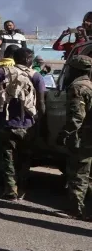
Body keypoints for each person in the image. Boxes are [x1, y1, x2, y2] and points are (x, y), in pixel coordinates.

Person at [0, 47, 46, 200]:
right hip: (28, 124)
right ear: (29, 60)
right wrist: (41, 121)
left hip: (6, 123)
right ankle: (22, 188)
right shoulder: (37, 76)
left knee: (8, 157)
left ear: (14, 58)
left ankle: (10, 189)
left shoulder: (3, 72)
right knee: (25, 157)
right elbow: (41, 101)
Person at [56, 55, 92, 220]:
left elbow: (77, 118)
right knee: (87, 173)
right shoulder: (90, 85)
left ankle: (77, 210)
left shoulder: (77, 88)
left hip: (83, 138)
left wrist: (64, 134)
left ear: (75, 70)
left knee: (78, 172)